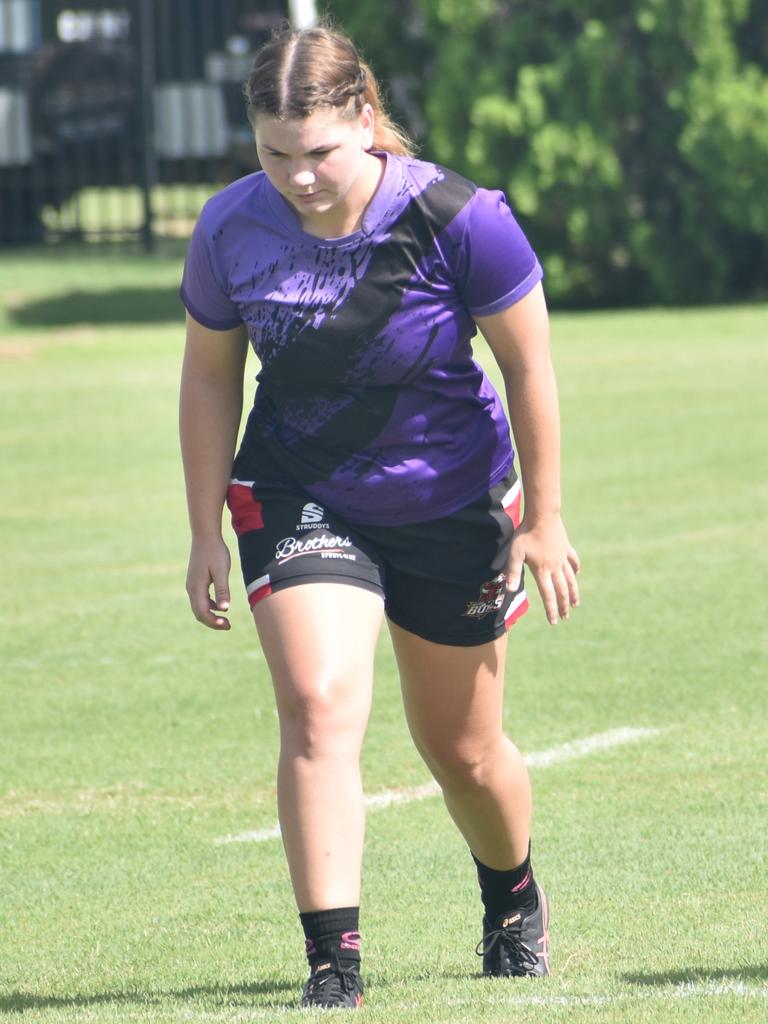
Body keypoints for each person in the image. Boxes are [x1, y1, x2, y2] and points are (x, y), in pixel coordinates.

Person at [179, 23, 580, 1010]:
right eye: (276, 154)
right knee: (317, 705)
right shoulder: (232, 227)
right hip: (295, 485)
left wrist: (546, 517)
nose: (299, 177)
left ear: (364, 118)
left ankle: (512, 897)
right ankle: (334, 965)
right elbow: (207, 377)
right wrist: (201, 531)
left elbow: (527, 365)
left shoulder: (457, 217)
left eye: (317, 152)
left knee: (464, 750)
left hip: (450, 499)